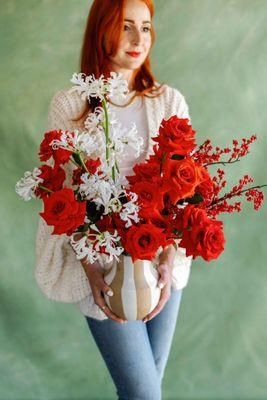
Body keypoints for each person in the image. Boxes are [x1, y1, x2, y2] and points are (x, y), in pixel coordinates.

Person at [35, 0, 193, 398]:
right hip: (104, 271)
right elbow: (63, 193)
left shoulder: (169, 101)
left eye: (146, 26)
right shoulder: (70, 106)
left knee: (146, 389)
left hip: (160, 265)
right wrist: (91, 268)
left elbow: (185, 191)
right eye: (126, 26)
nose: (139, 38)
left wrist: (169, 254)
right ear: (101, 30)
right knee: (143, 393)